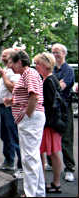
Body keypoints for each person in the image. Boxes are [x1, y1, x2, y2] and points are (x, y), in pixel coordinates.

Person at [3, 50, 46, 197]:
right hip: (30, 117)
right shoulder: (26, 75)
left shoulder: (29, 73)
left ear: (19, 62)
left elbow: (34, 95)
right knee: (33, 156)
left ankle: (30, 193)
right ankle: (38, 192)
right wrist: (13, 101)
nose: (11, 67)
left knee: (29, 158)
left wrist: (27, 114)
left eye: (12, 63)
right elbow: (27, 96)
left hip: (31, 119)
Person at [33, 53, 63, 193]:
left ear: (45, 65)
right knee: (50, 153)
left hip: (49, 125)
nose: (36, 66)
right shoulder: (50, 79)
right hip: (51, 124)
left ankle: (53, 182)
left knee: (51, 153)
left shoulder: (49, 81)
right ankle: (47, 181)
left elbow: (50, 105)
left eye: (37, 63)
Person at [49, 43, 75, 182]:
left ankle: (69, 168)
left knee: (66, 138)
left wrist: (52, 83)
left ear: (64, 53)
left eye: (57, 52)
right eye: (53, 52)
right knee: (50, 135)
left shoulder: (68, 70)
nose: (55, 54)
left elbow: (59, 87)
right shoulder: (52, 69)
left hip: (64, 108)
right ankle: (51, 162)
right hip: (52, 108)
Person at [0, 48, 23, 178]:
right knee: (5, 135)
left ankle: (21, 166)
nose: (3, 56)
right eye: (2, 54)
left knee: (14, 136)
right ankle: (9, 161)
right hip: (3, 107)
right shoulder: (6, 70)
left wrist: (4, 76)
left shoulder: (14, 72)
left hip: (10, 107)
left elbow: (14, 88)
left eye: (5, 55)